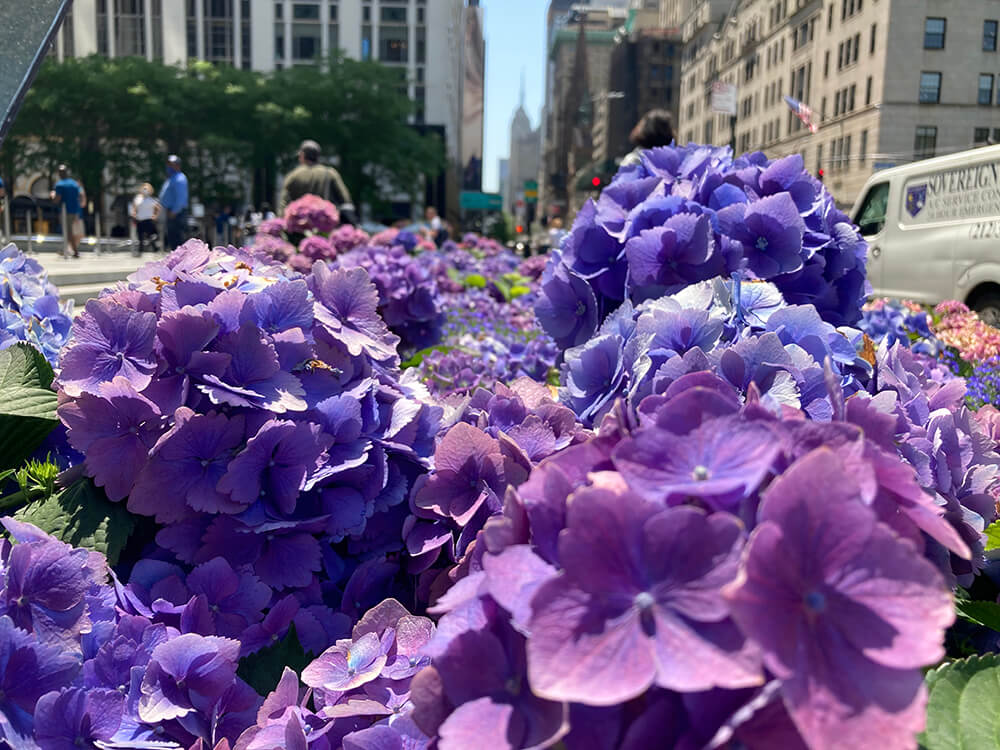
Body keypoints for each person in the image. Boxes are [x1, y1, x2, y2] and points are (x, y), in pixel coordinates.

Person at [280, 139, 356, 224]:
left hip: (298, 227)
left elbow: (283, 204)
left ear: (302, 155)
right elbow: (345, 200)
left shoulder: (293, 176)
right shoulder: (330, 173)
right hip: (324, 225)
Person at [50, 165, 86, 258]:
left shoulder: (59, 185)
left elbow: (57, 199)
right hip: (75, 211)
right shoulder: (74, 183)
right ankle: (66, 249)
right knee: (69, 231)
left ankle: (75, 251)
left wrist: (52, 195)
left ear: (59, 174)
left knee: (68, 231)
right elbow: (80, 195)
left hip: (65, 211)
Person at [159, 154, 189, 252]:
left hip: (176, 213)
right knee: (172, 238)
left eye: (172, 164)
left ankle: (181, 264)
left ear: (178, 165)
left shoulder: (180, 179)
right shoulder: (172, 178)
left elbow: (181, 197)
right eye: (168, 164)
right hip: (171, 211)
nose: (169, 167)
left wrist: (174, 211)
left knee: (177, 239)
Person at [130, 182, 160, 255]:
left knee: (150, 235)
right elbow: (134, 207)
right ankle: (140, 250)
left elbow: (158, 208)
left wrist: (155, 216)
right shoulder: (138, 199)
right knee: (140, 236)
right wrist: (133, 213)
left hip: (148, 220)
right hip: (140, 220)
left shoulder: (152, 199)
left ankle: (155, 248)